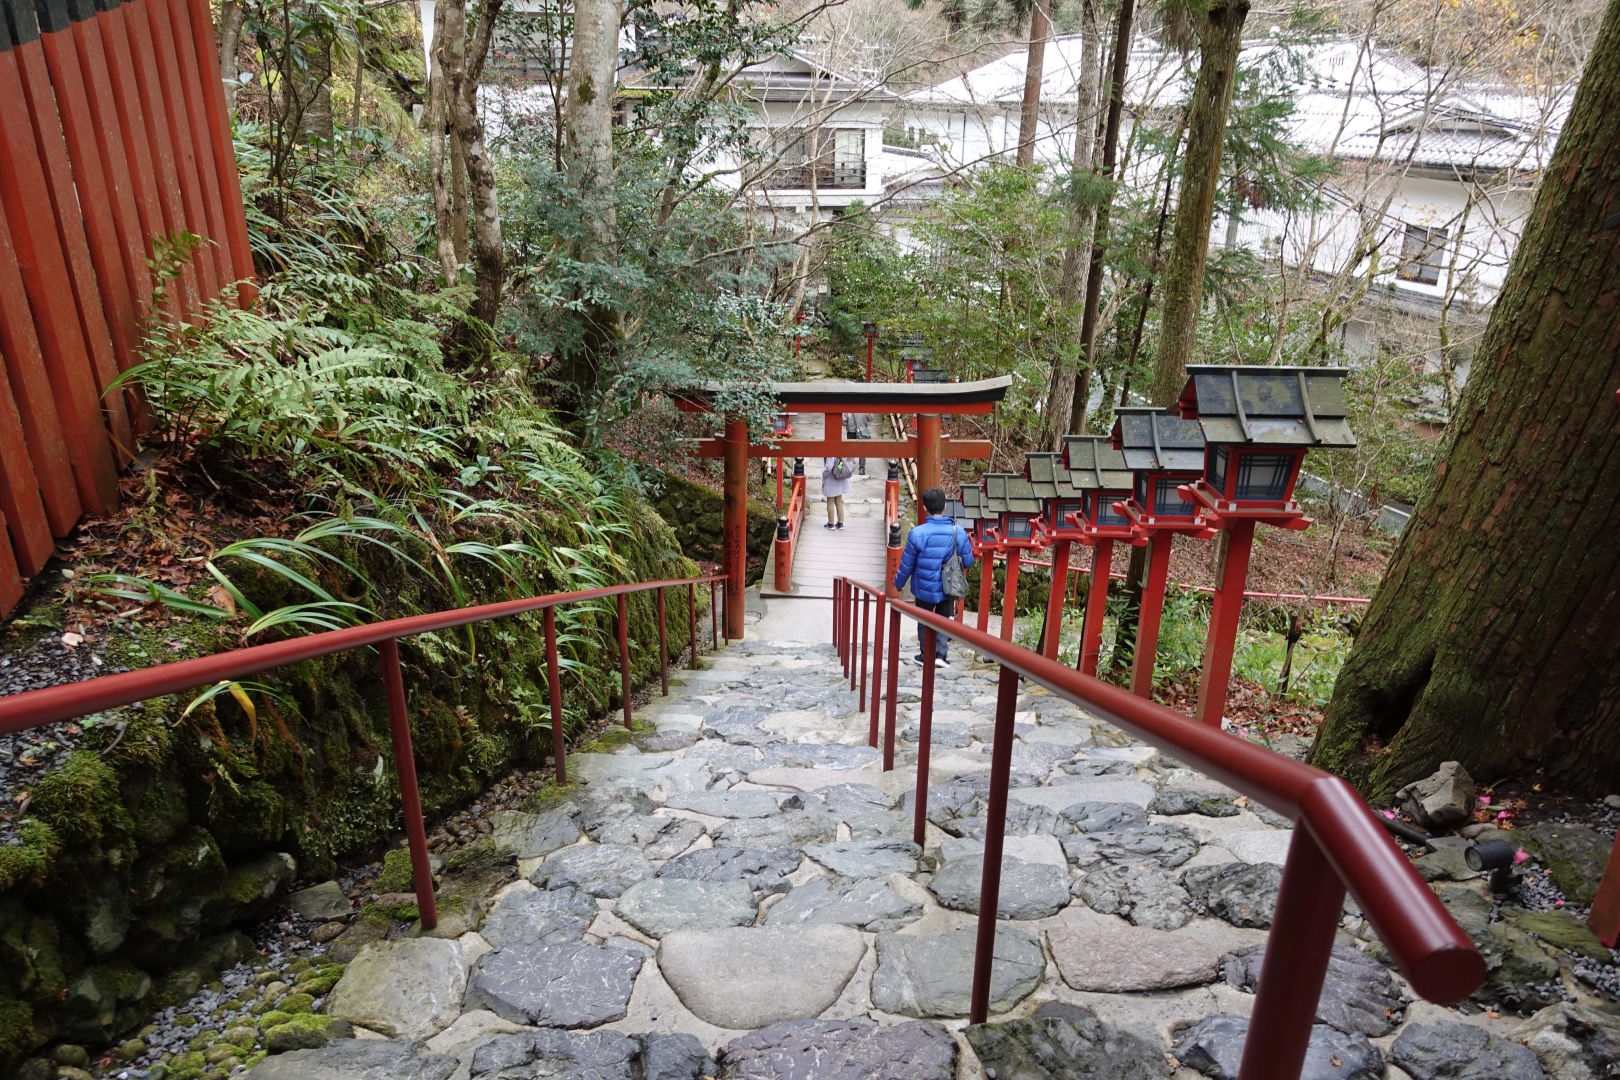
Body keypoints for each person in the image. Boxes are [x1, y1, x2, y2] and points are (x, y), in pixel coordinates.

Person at [892, 487, 974, 665]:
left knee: (924, 620)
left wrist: (898, 584)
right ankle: (941, 655)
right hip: (948, 585)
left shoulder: (917, 533)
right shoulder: (958, 532)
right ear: (945, 506)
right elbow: (968, 561)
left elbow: (907, 565)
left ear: (924, 508)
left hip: (924, 587)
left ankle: (925, 655)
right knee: (944, 619)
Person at [822, 457, 853, 529]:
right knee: (839, 502)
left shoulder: (831, 452)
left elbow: (829, 467)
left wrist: (823, 474)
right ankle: (840, 523)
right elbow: (841, 463)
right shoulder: (840, 451)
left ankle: (831, 523)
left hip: (831, 480)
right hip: (839, 478)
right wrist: (838, 470)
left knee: (830, 501)